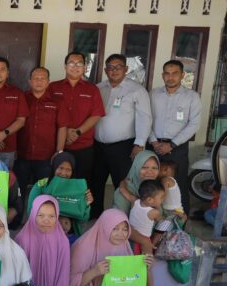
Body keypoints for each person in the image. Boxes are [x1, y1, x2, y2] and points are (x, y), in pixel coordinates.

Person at [92, 54, 152, 217]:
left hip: (123, 146)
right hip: (98, 145)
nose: (114, 70)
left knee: (122, 183)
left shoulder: (136, 90)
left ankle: (121, 216)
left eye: (118, 67)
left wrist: (139, 144)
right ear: (105, 70)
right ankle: (95, 215)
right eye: (110, 67)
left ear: (126, 69)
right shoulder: (98, 88)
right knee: (96, 181)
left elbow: (144, 118)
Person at [148, 59, 202, 213]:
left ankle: (180, 219)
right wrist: (153, 141)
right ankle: (152, 218)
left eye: (175, 73)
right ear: (162, 75)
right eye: (167, 73)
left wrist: (172, 144)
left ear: (182, 75)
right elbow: (145, 119)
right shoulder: (153, 94)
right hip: (153, 145)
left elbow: (194, 124)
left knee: (179, 183)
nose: (170, 77)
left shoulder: (192, 97)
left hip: (177, 148)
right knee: (151, 183)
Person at [48, 52, 106, 183]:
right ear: (65, 66)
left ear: (85, 67)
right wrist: (65, 132)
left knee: (80, 183)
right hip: (57, 145)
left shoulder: (92, 89)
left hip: (83, 146)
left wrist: (76, 132)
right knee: (55, 183)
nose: (75, 66)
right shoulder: (53, 87)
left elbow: (96, 115)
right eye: (71, 63)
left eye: (79, 63)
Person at [15, 66, 69, 201]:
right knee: (18, 192)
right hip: (22, 155)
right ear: (29, 81)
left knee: (43, 192)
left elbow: (62, 127)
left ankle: (40, 215)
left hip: (46, 157)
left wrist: (59, 151)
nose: (39, 81)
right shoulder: (22, 98)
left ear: (48, 81)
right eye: (36, 78)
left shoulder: (57, 101)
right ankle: (18, 215)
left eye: (43, 78)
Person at [15, 196, 70, 286]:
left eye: (52, 216)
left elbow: (63, 278)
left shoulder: (62, 241)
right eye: (41, 215)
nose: (46, 220)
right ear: (33, 215)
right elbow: (18, 278)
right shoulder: (22, 239)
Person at [26, 152, 93, 237]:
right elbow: (30, 212)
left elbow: (83, 220)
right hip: (44, 231)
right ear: (54, 167)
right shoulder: (41, 186)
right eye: (60, 168)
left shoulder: (78, 188)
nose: (64, 173)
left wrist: (86, 205)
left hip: (68, 234)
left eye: (68, 170)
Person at [129, 179, 166, 286]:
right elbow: (161, 221)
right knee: (148, 266)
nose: (162, 200)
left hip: (131, 239)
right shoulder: (154, 212)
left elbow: (124, 190)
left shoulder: (135, 202)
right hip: (145, 242)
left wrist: (123, 184)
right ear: (150, 200)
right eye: (161, 198)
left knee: (134, 264)